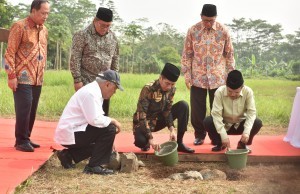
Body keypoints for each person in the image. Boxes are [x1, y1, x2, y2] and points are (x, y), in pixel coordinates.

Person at [181, 4, 235, 146]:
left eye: (211, 20)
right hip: (197, 77)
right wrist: (187, 75)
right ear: (201, 17)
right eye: (206, 20)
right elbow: (187, 54)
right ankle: (199, 135)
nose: (209, 23)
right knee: (197, 110)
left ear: (215, 18)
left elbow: (229, 55)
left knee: (216, 109)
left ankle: (216, 136)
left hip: (218, 78)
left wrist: (231, 77)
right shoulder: (193, 31)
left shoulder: (223, 31)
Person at [54, 70, 123, 175]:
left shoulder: (94, 91)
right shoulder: (91, 93)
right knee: (110, 128)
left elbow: (97, 119)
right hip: (70, 133)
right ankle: (93, 166)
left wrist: (108, 143)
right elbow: (95, 120)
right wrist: (113, 121)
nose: (115, 92)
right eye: (115, 89)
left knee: (104, 139)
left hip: (73, 131)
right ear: (108, 84)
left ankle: (69, 155)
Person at [4, 0, 50, 152]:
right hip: (22, 77)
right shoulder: (19, 26)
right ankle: (21, 141)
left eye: (47, 13)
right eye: (43, 13)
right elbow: (9, 53)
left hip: (38, 77)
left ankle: (26, 137)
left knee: (32, 108)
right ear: (33, 11)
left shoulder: (44, 30)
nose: (46, 16)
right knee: (24, 108)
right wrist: (11, 75)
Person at [133, 63, 195, 153]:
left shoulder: (172, 89)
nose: (169, 87)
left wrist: (172, 129)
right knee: (141, 142)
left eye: (172, 84)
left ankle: (180, 143)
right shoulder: (148, 89)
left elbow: (167, 110)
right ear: (161, 78)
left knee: (183, 105)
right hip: (144, 121)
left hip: (159, 119)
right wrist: (150, 138)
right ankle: (146, 142)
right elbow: (141, 116)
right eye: (167, 83)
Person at [70, 7, 119, 116]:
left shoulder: (113, 38)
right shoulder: (82, 35)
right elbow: (75, 58)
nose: (105, 28)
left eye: (108, 26)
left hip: (105, 84)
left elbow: (115, 59)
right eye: (102, 25)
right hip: (87, 82)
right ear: (95, 21)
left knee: (103, 115)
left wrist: (114, 81)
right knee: (87, 117)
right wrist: (77, 80)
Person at [203, 70, 262, 152]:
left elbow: (251, 113)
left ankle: (242, 144)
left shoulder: (248, 92)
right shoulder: (219, 92)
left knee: (257, 122)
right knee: (208, 121)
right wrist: (223, 136)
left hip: (240, 124)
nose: (233, 94)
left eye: (236, 92)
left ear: (242, 87)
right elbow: (216, 115)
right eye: (230, 91)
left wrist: (247, 132)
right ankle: (220, 143)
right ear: (226, 86)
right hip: (225, 124)